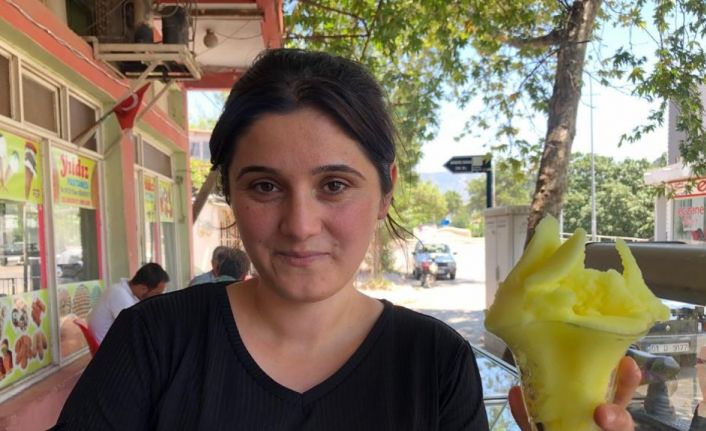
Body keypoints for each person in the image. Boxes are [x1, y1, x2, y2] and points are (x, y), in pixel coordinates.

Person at [54, 49, 640, 430]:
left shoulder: (435, 362)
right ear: (230, 191)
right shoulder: (153, 342)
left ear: (385, 191)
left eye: (334, 185)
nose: (300, 224)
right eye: (265, 186)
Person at [87, 262, 169, 342]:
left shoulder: (128, 293)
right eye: (157, 293)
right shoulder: (119, 295)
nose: (158, 298)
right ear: (143, 289)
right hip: (109, 348)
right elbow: (136, 331)